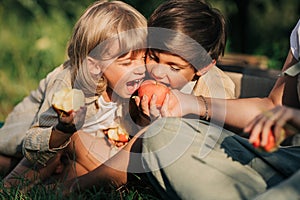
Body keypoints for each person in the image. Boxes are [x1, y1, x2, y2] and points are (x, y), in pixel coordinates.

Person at [142, 7, 300, 199]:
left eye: (174, 67)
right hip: (290, 158)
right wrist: (192, 103)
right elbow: (275, 107)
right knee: (164, 134)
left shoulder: (217, 83)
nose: (158, 72)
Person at [3, 0, 147, 192]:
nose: (140, 69)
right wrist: (63, 128)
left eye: (144, 58)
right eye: (127, 63)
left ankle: (54, 190)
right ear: (95, 66)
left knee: (78, 163)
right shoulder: (69, 85)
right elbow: (36, 142)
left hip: (73, 149)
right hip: (29, 145)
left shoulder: (132, 87)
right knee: (48, 155)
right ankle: (7, 189)